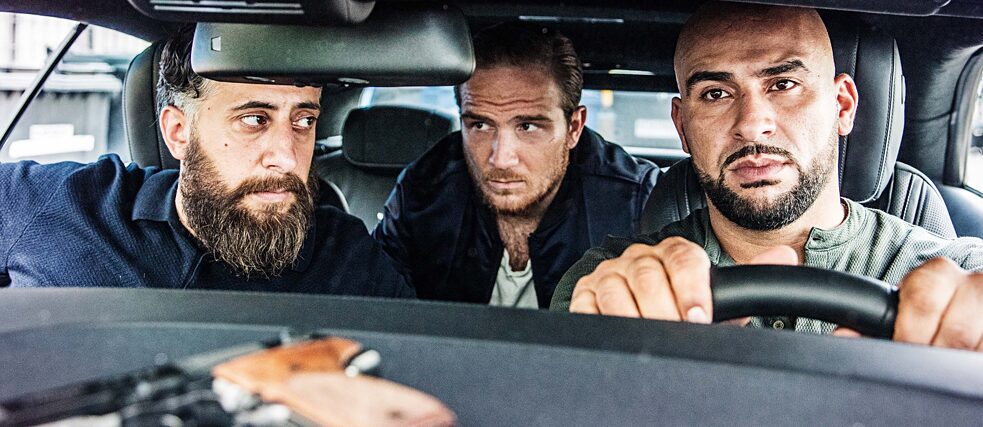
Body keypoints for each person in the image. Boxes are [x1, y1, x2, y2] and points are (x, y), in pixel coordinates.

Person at [550, 2, 983, 352]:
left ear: (843, 107)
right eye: (716, 93)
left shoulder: (958, 272)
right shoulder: (611, 282)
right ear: (682, 127)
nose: (752, 125)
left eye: (783, 84)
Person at [0, 26, 413, 298]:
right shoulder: (60, 205)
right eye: (255, 119)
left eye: (304, 121)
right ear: (179, 132)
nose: (287, 158)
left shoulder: (348, 262)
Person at [373, 22, 659, 308]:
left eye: (527, 126)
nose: (501, 158)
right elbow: (377, 306)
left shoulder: (637, 205)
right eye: (480, 125)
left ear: (574, 128)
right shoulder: (422, 194)